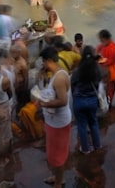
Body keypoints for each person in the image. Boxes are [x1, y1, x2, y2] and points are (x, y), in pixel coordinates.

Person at [37, 47, 72, 187]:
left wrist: (46, 104)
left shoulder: (59, 78)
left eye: (43, 62)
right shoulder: (55, 74)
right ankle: (58, 177)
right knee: (53, 154)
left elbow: (63, 101)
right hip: (52, 122)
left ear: (49, 61)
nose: (43, 65)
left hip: (59, 123)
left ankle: (59, 181)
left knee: (57, 156)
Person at [70, 46, 102, 154]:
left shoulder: (77, 71)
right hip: (92, 100)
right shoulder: (96, 70)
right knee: (93, 123)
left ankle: (85, 149)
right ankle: (97, 146)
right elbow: (98, 84)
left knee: (82, 126)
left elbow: (73, 84)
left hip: (79, 101)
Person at [96, 29, 115, 107]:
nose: (101, 41)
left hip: (112, 74)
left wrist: (98, 61)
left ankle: (109, 105)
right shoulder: (104, 45)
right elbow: (98, 49)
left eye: (101, 39)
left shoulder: (112, 48)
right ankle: (107, 104)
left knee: (110, 91)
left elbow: (110, 61)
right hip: (108, 73)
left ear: (106, 38)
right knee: (106, 91)